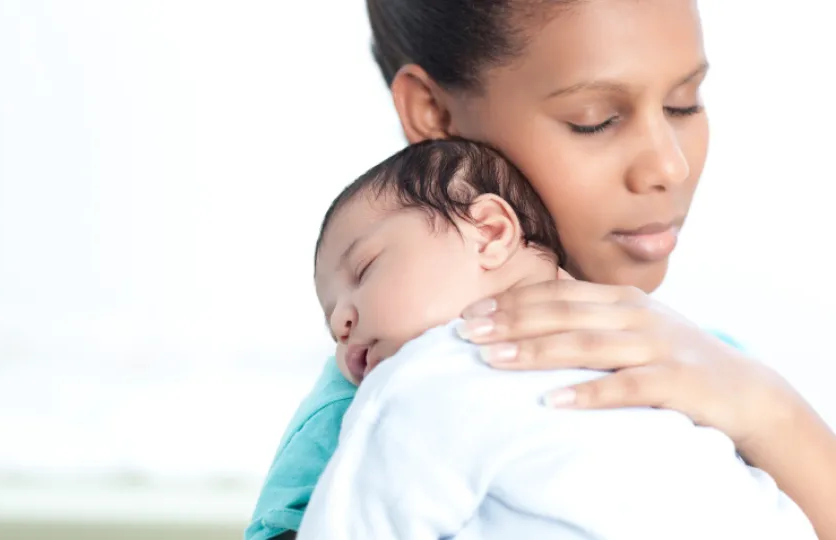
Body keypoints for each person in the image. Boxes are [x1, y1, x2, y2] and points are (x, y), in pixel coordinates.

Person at [245, 1, 836, 539]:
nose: (668, 166)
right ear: (434, 112)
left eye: (684, 103)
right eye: (594, 119)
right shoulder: (370, 405)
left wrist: (768, 410)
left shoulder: (708, 365)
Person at [296, 137, 815, 539]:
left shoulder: (424, 380)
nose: (342, 323)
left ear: (492, 232)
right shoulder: (671, 359)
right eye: (330, 319)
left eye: (364, 270)